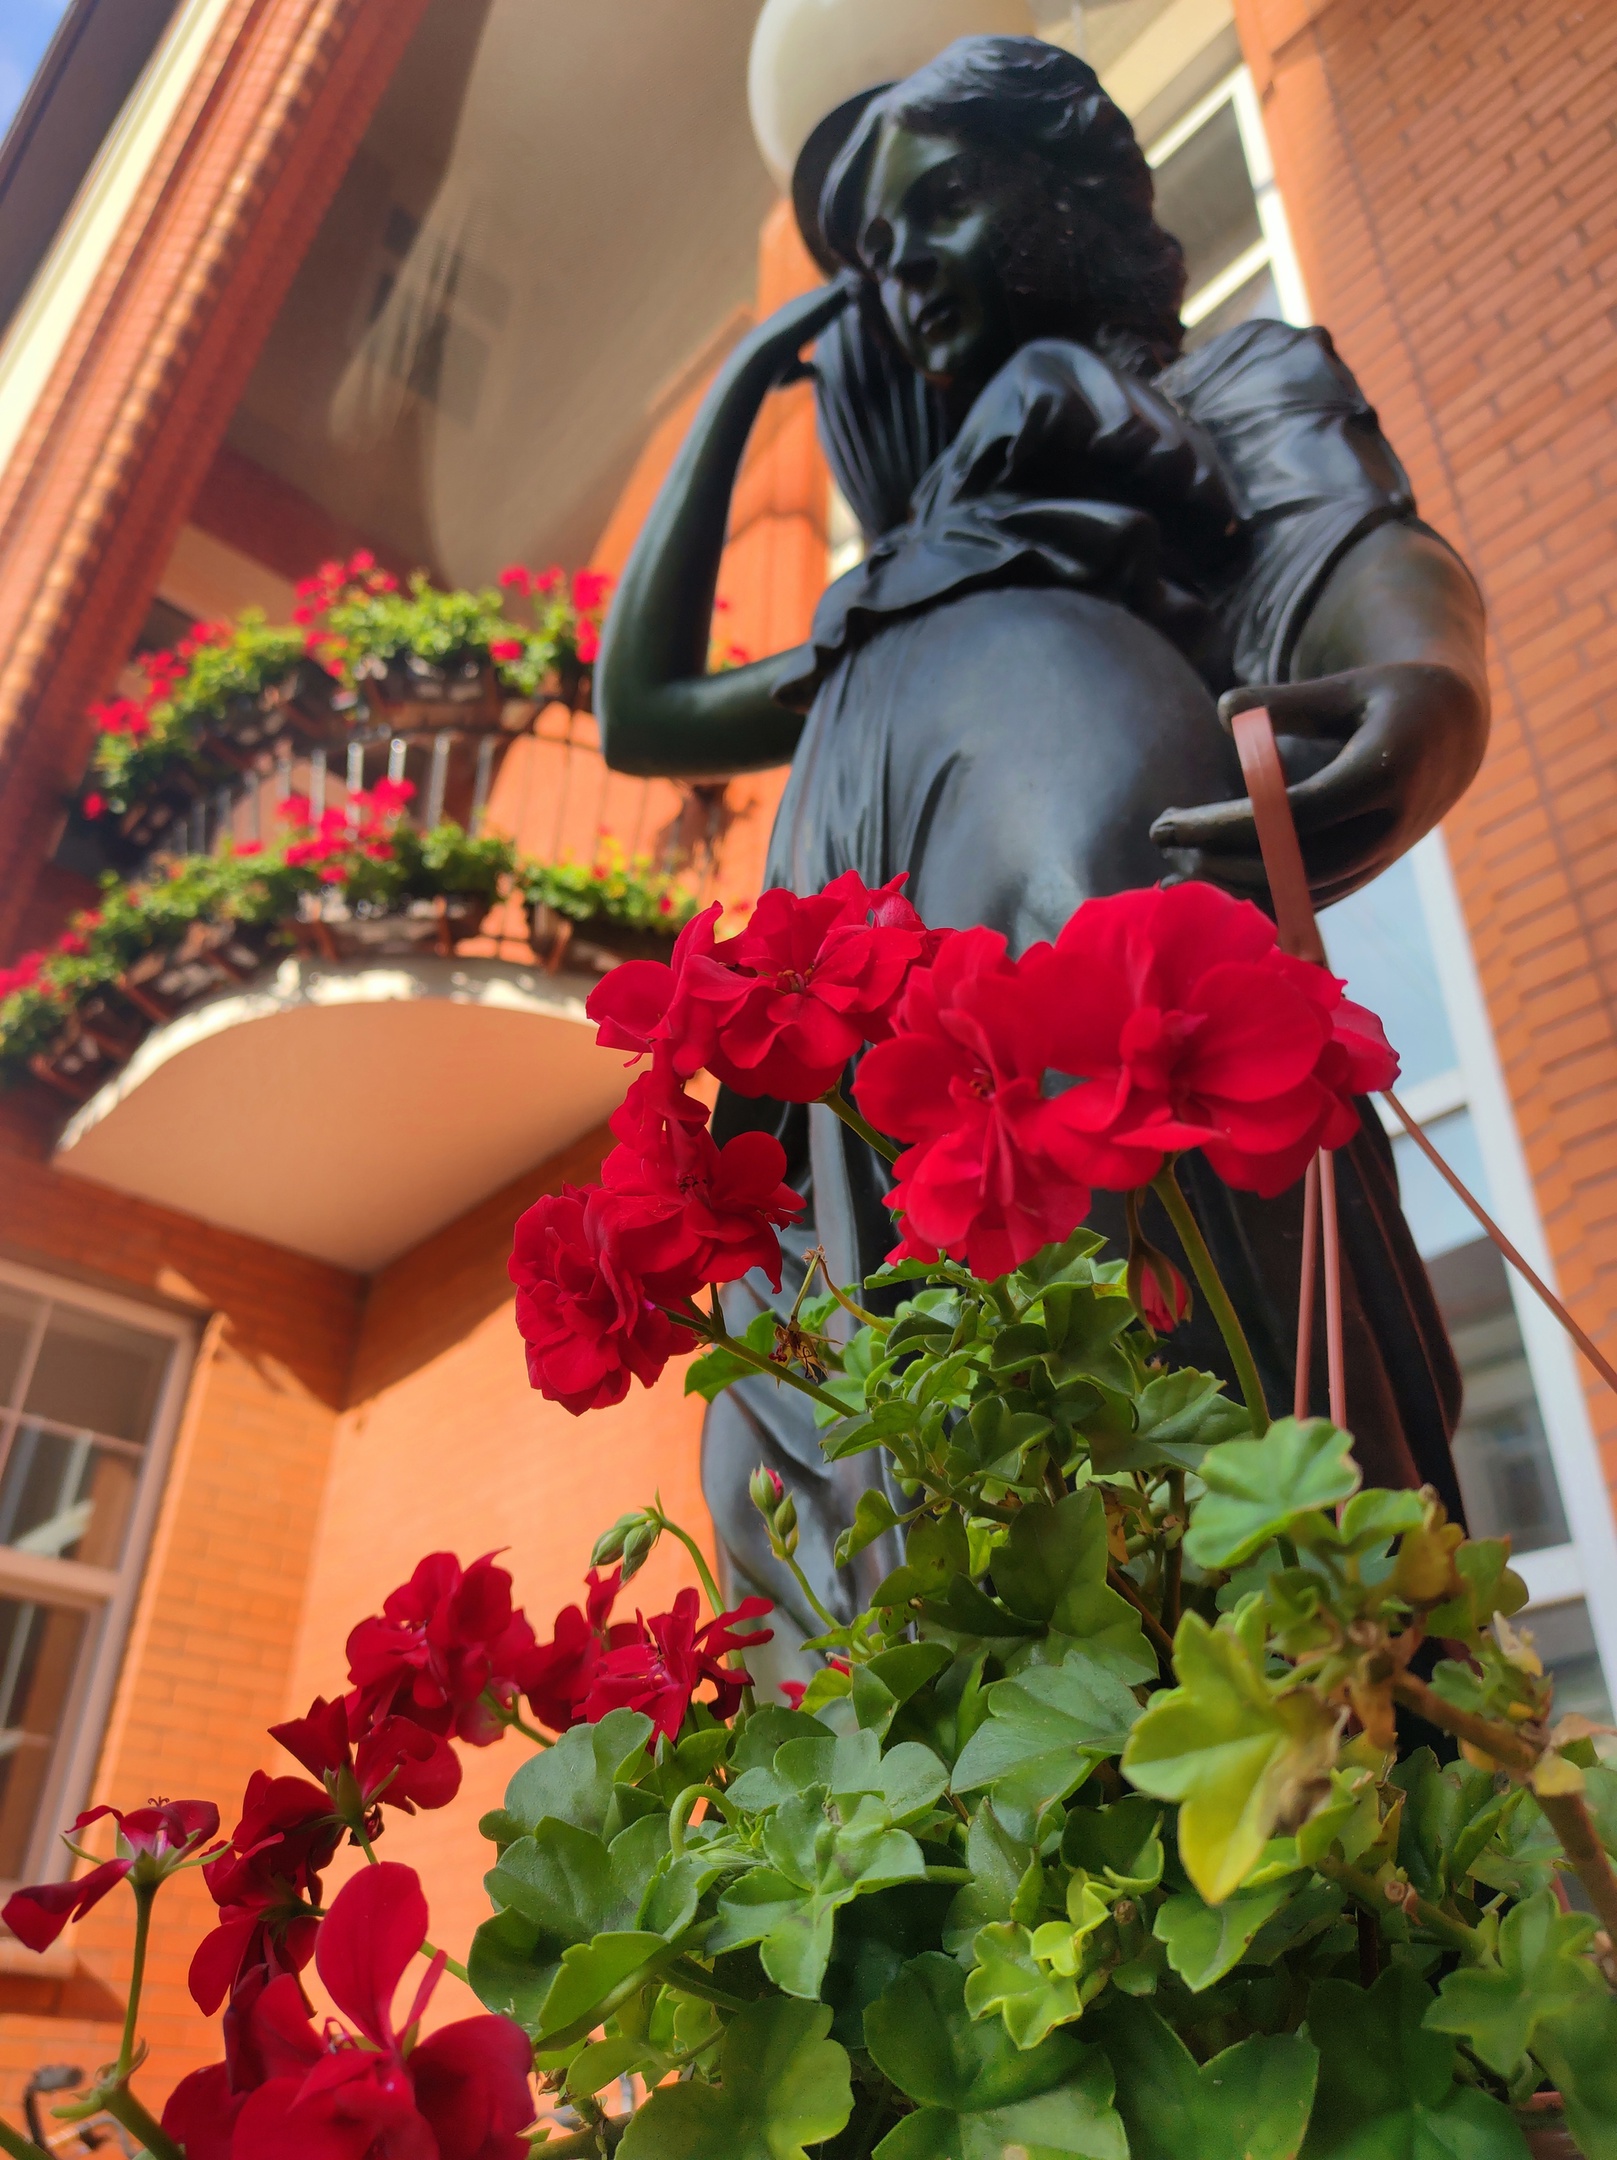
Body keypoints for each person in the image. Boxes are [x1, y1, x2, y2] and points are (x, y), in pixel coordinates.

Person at [595, 37, 1488, 1682]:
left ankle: (1293, 1750)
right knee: (848, 1419)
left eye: (941, 202)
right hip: (865, 926)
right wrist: (747, 379)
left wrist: (1427, 686)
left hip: (1074, 833)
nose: (906, 269)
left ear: (1071, 186)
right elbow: (639, 710)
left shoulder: (1210, 389)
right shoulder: (898, 575)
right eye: (876, 253)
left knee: (1154, 1318)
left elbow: (1369, 566)